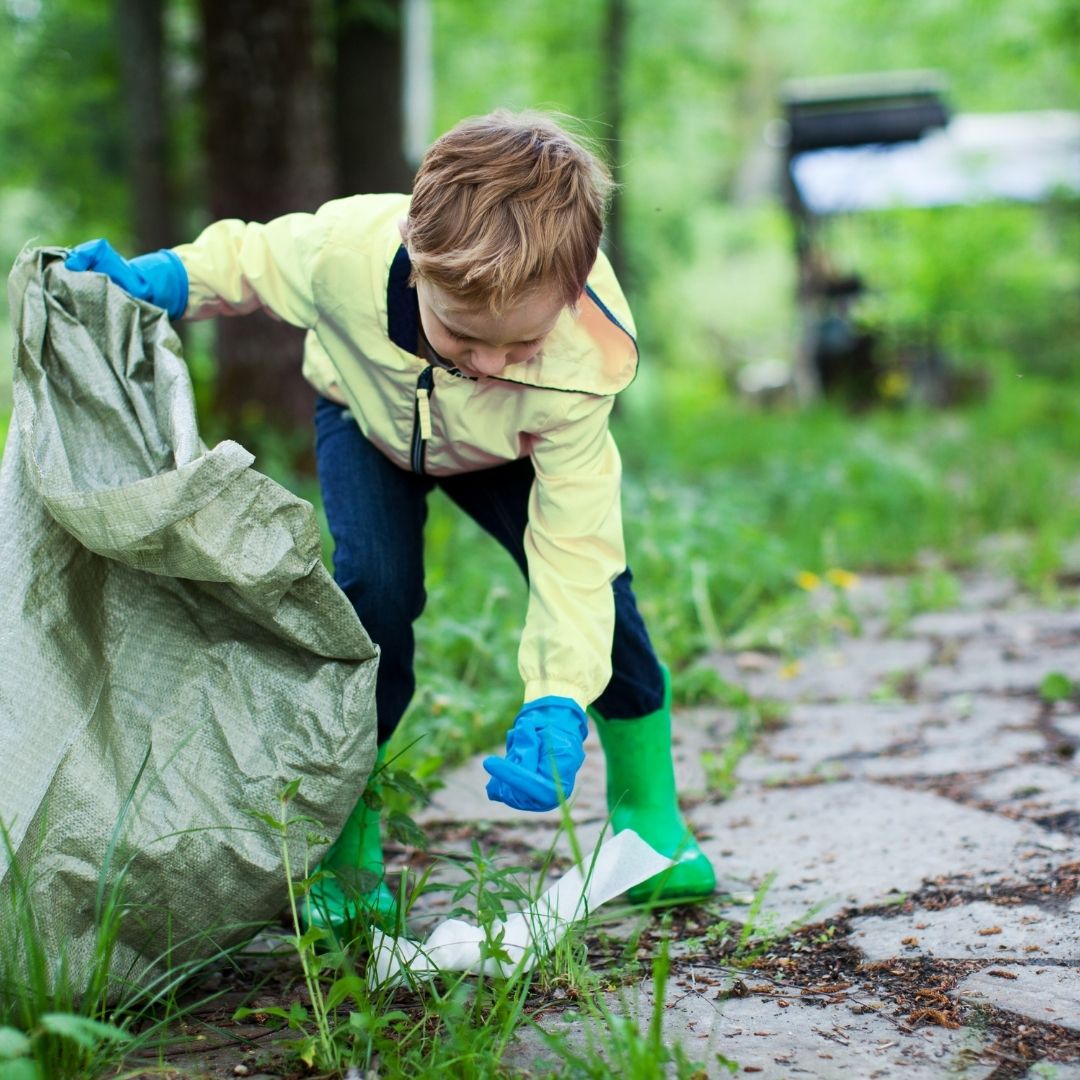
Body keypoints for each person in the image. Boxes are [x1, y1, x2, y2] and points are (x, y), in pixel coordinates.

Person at [63, 109, 717, 931]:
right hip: (366, 423)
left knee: (606, 602)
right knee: (372, 594)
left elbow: (575, 553)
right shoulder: (346, 250)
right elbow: (254, 258)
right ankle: (349, 844)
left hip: (507, 445)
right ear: (415, 257)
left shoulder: (581, 360)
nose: (486, 365)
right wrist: (166, 278)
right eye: (463, 335)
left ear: (575, 286)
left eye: (519, 348)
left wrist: (556, 697)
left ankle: (648, 821)